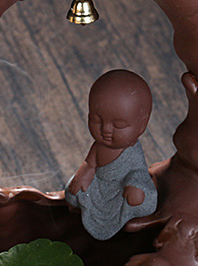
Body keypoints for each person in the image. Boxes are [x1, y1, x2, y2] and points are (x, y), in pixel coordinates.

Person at [65, 70, 157, 239]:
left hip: (122, 190)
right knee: (71, 192)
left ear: (142, 125)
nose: (105, 130)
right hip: (98, 185)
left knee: (145, 201)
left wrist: (134, 186)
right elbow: (90, 164)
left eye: (119, 125)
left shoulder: (132, 151)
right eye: (96, 120)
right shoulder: (98, 146)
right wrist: (83, 175)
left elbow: (138, 172)